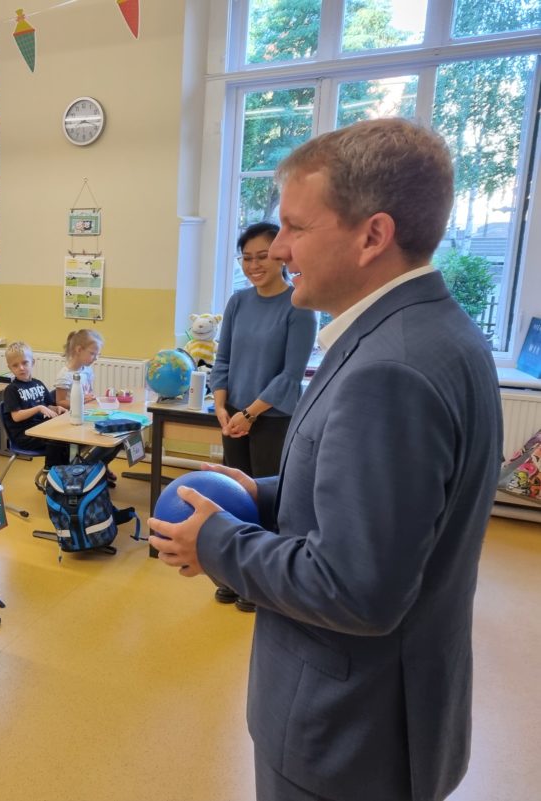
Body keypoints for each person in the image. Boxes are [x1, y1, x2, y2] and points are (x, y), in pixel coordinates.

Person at [148, 118, 502, 801]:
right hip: (390, 714)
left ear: (373, 234)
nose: (278, 250)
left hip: (345, 734)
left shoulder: (390, 369)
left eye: (295, 228)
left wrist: (216, 540)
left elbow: (355, 586)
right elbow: (384, 501)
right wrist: (264, 489)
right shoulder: (434, 331)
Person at [208, 221, 318, 612]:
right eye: (247, 258)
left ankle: (259, 582)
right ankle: (232, 574)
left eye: (262, 257)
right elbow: (222, 360)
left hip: (272, 417)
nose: (254, 265)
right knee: (233, 497)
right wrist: (221, 407)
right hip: (232, 415)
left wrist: (250, 414)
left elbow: (290, 376)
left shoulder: (299, 307)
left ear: (281, 255)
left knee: (264, 497)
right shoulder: (238, 302)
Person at [53, 329, 120, 481]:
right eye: (92, 353)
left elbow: (89, 394)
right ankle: (86, 469)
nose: (95, 358)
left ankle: (100, 466)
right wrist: (81, 402)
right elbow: (60, 402)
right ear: (78, 350)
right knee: (106, 441)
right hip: (72, 422)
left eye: (97, 354)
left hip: (88, 417)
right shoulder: (65, 375)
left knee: (118, 440)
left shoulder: (87, 371)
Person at [2, 341, 70, 473]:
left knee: (67, 435)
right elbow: (16, 417)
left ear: (32, 363)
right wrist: (38, 408)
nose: (21, 368)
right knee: (58, 439)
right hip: (25, 435)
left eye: (24, 363)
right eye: (15, 365)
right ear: (10, 368)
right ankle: (51, 471)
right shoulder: (11, 389)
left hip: (41, 428)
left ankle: (66, 471)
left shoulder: (38, 383)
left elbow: (49, 405)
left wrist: (57, 409)